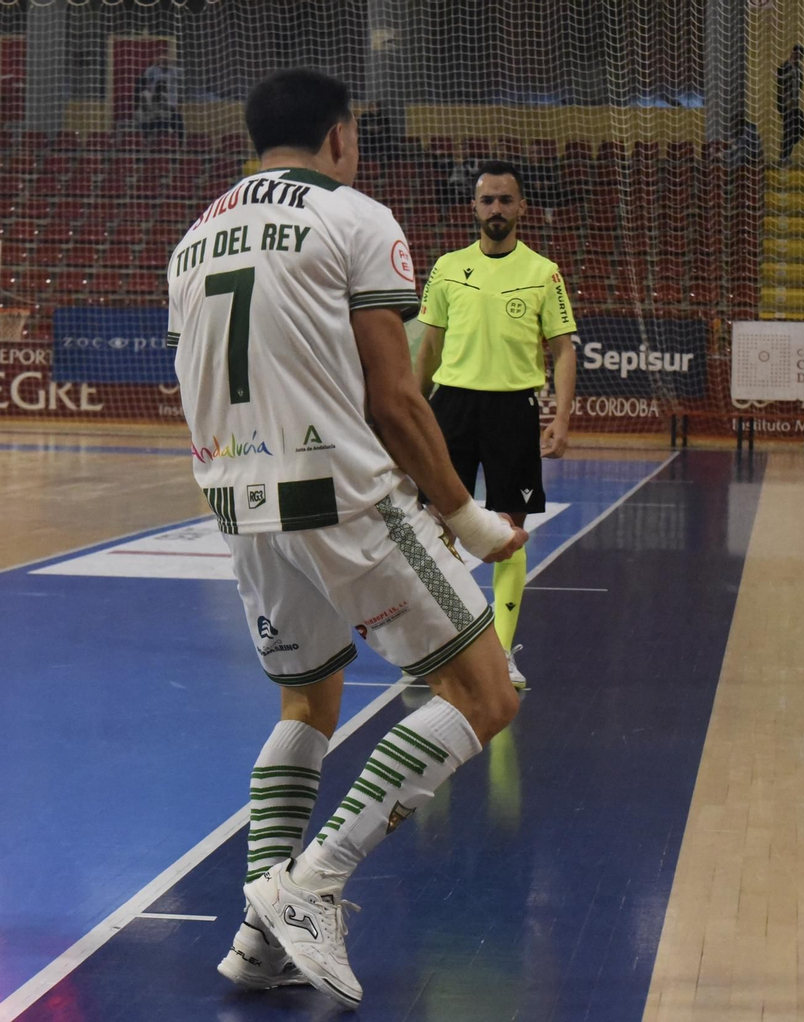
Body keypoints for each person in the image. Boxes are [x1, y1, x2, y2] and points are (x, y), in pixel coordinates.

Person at [169, 68, 528, 1009]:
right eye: (357, 135)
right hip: (345, 496)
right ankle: (314, 884)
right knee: (489, 693)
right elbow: (394, 394)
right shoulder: (357, 218)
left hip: (239, 503)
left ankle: (256, 942)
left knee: (306, 705)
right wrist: (464, 514)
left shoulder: (192, 239)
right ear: (338, 137)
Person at [414, 160, 576, 688]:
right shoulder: (445, 268)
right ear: (474, 208)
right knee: (438, 530)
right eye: (488, 200)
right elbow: (429, 347)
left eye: (506, 200)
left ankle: (501, 654)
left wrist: (561, 418)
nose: (497, 209)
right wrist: (410, 412)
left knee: (511, 532)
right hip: (452, 408)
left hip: (513, 411)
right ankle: (448, 648)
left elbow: (563, 349)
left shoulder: (542, 272)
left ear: (522, 208)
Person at [133, 55, 184, 138]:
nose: (164, 62)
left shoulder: (174, 71)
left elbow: (180, 85)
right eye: (162, 61)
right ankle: (149, 139)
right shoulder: (152, 71)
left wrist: (180, 101)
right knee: (153, 120)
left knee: (177, 121)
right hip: (155, 107)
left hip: (170, 104)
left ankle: (179, 143)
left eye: (166, 61)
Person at [776, 44, 804, 167]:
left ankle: (785, 151)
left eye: (800, 56)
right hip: (785, 103)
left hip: (795, 104)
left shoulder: (799, 68)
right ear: (792, 53)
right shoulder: (785, 67)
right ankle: (784, 158)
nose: (798, 57)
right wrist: (786, 100)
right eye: (796, 54)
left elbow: (799, 85)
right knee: (789, 130)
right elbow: (780, 81)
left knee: (800, 130)